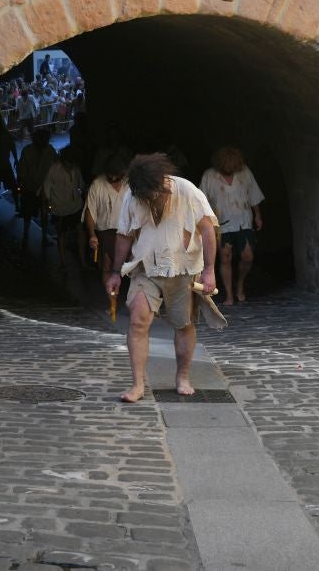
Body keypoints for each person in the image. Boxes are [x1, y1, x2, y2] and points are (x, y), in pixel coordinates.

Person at [109, 153, 218, 401]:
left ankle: (183, 376)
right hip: (144, 268)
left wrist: (210, 270)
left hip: (183, 269)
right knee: (137, 321)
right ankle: (137, 385)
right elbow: (124, 234)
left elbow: (207, 229)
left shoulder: (187, 190)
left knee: (183, 324)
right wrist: (116, 272)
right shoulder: (132, 195)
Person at [199, 146, 265, 306]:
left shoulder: (244, 173)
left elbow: (253, 194)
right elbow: (201, 200)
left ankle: (240, 283)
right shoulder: (209, 176)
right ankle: (229, 294)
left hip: (243, 221)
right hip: (221, 223)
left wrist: (258, 215)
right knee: (225, 257)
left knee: (248, 256)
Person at [84, 151, 130, 297]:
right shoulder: (97, 185)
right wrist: (92, 235)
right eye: (110, 175)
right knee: (107, 268)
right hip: (106, 233)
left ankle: (136, 303)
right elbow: (90, 211)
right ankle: (112, 302)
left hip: (128, 233)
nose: (113, 178)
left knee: (135, 268)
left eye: (116, 176)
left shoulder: (130, 184)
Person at [41, 148, 84, 268]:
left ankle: (83, 261)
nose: (70, 166)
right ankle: (63, 262)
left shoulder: (76, 169)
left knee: (80, 232)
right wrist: (46, 206)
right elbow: (46, 189)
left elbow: (81, 185)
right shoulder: (54, 169)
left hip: (75, 206)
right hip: (60, 209)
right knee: (61, 234)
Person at [16, 128, 56, 248]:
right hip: (30, 188)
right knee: (28, 214)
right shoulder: (29, 151)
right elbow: (22, 171)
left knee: (43, 214)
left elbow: (57, 164)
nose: (46, 141)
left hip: (43, 189)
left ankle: (37, 237)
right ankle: (26, 237)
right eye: (44, 139)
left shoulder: (49, 150)